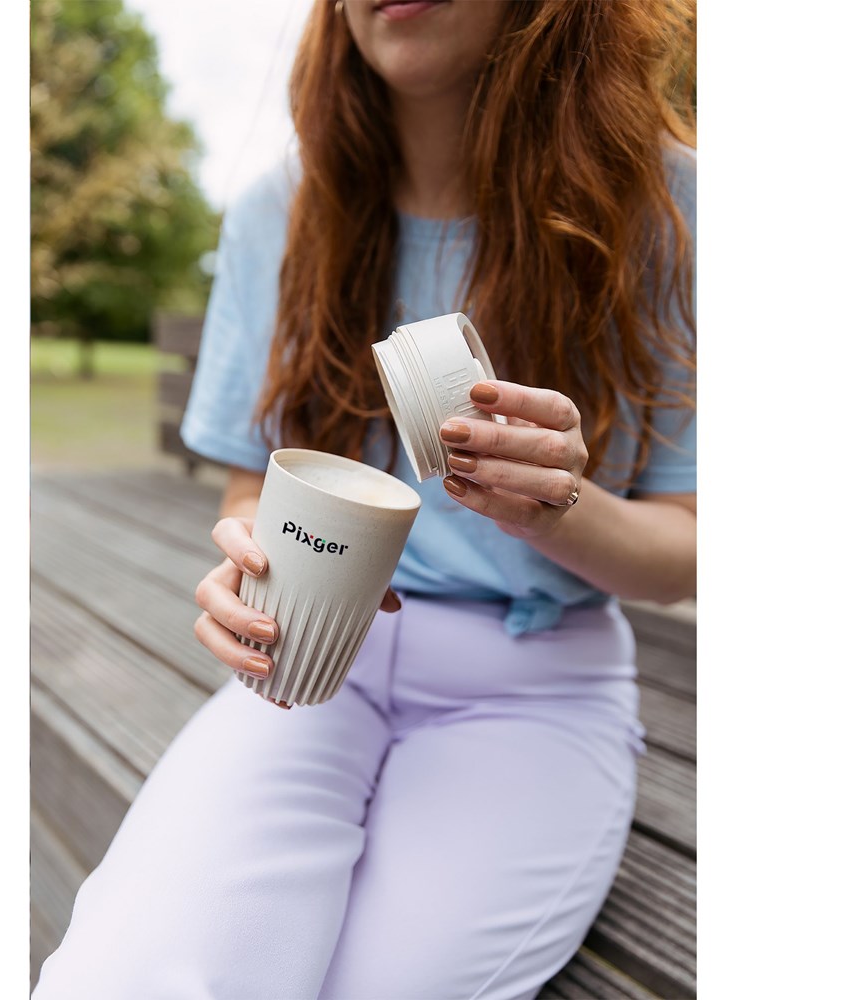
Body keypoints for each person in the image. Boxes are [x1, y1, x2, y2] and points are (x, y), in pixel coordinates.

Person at [34, 0, 695, 997]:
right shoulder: (282, 209)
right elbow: (253, 482)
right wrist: (246, 565)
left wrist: (553, 504)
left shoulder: (669, 207)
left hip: (532, 682)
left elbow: (688, 548)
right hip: (318, 665)